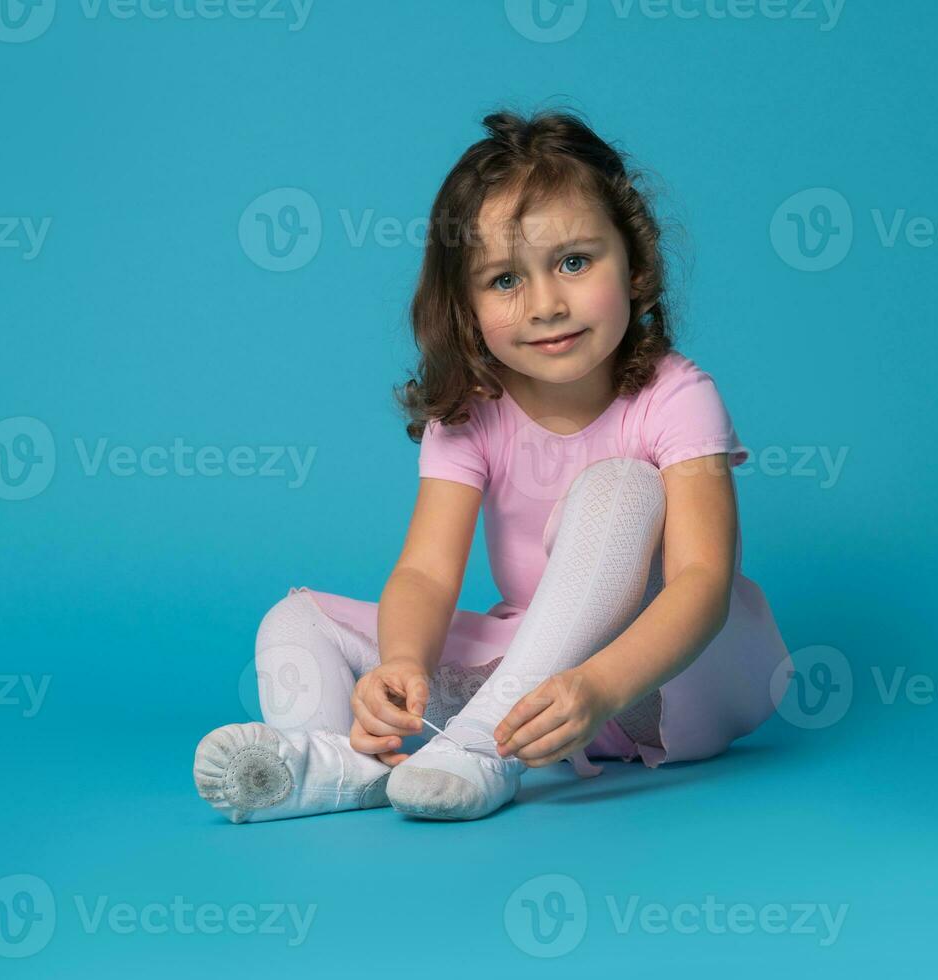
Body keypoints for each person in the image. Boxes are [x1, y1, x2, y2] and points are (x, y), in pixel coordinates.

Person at [194, 107, 791, 823]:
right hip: (537, 686)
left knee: (620, 486)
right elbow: (424, 573)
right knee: (295, 619)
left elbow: (701, 583)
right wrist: (403, 662)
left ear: (633, 262)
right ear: (463, 305)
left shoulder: (675, 395)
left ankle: (480, 747)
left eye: (574, 262)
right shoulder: (471, 411)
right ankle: (338, 763)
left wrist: (599, 685)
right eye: (505, 280)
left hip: (668, 679)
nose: (546, 304)